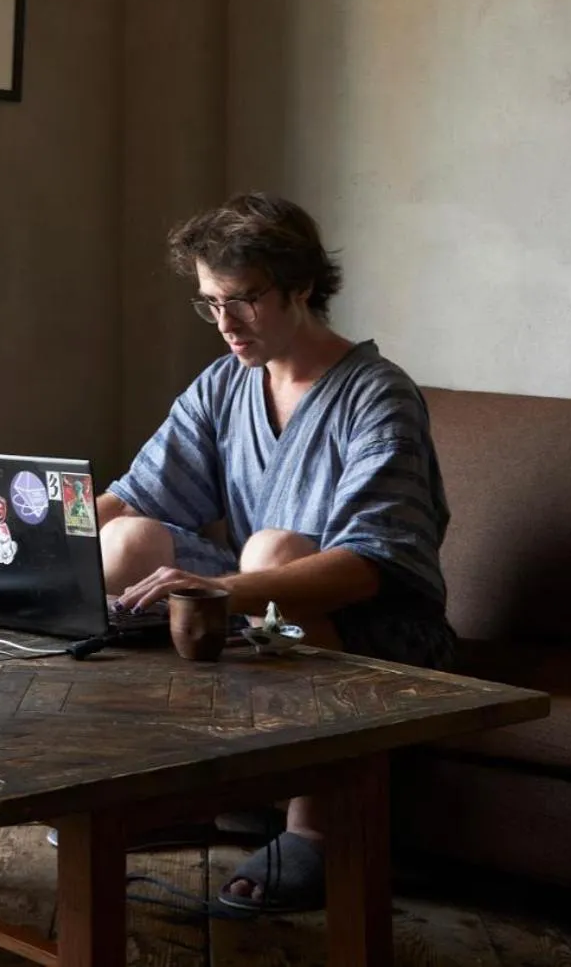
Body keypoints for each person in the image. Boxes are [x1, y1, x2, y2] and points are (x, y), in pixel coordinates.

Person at [99, 191, 453, 914]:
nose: (224, 322)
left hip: (380, 628)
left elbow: (368, 566)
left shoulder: (377, 396)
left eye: (242, 300)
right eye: (209, 302)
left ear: (300, 286)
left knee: (272, 547)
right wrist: (38, 543)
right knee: (123, 540)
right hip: (262, 610)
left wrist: (218, 592)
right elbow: (136, 495)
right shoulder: (225, 383)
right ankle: (157, 784)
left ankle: (316, 831)